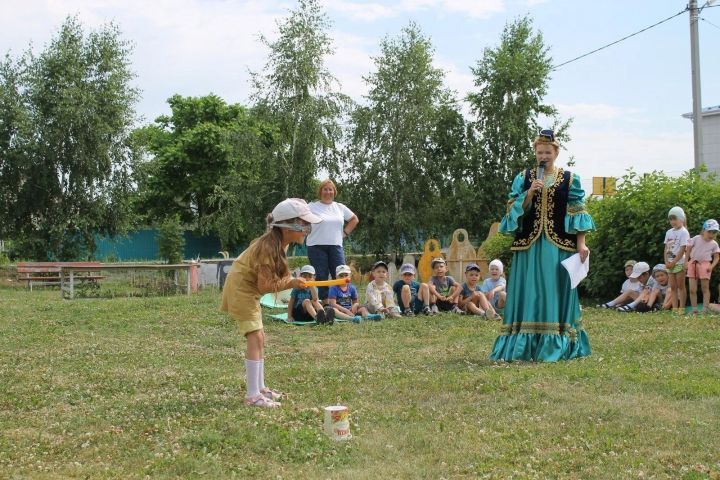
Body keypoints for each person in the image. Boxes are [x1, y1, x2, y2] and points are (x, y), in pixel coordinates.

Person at [489, 128, 595, 362]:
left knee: (553, 291)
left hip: (558, 247)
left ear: (556, 152)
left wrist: (582, 245)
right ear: (535, 153)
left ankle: (556, 343)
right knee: (530, 292)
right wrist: (529, 193)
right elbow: (512, 212)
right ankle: (524, 344)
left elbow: (578, 212)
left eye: (547, 152)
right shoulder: (524, 178)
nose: (543, 156)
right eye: (539, 152)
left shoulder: (570, 179)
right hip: (529, 247)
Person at [220, 198, 321, 408]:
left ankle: (261, 388)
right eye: (304, 225)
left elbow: (274, 281)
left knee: (260, 337)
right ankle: (252, 395)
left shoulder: (278, 246)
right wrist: (292, 282)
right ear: (288, 226)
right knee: (255, 336)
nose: (307, 229)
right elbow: (266, 285)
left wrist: (293, 281)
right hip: (242, 290)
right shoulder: (268, 248)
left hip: (248, 290)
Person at [306, 179, 359, 303]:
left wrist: (345, 233)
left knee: (342, 273)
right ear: (320, 191)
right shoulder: (311, 206)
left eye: (330, 189)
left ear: (334, 192)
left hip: (335, 245)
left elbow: (354, 219)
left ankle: (342, 301)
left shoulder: (339, 207)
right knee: (321, 275)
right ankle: (325, 303)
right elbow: (300, 218)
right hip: (316, 246)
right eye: (325, 189)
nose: (328, 192)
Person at [686, 219, 720, 314]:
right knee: (692, 289)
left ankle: (705, 309)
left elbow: (717, 257)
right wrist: (686, 262)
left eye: (714, 232)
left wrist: (711, 266)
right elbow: (688, 249)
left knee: (705, 288)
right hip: (693, 263)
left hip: (705, 265)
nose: (712, 235)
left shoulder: (714, 244)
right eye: (709, 231)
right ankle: (694, 309)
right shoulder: (696, 238)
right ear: (703, 230)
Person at [664, 206, 690, 314]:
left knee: (680, 286)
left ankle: (682, 308)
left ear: (681, 219)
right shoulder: (669, 232)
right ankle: (674, 308)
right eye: (670, 219)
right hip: (670, 264)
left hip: (679, 263)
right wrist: (666, 261)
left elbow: (683, 248)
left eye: (675, 218)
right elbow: (666, 248)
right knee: (673, 287)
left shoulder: (684, 232)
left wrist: (674, 262)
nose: (672, 221)